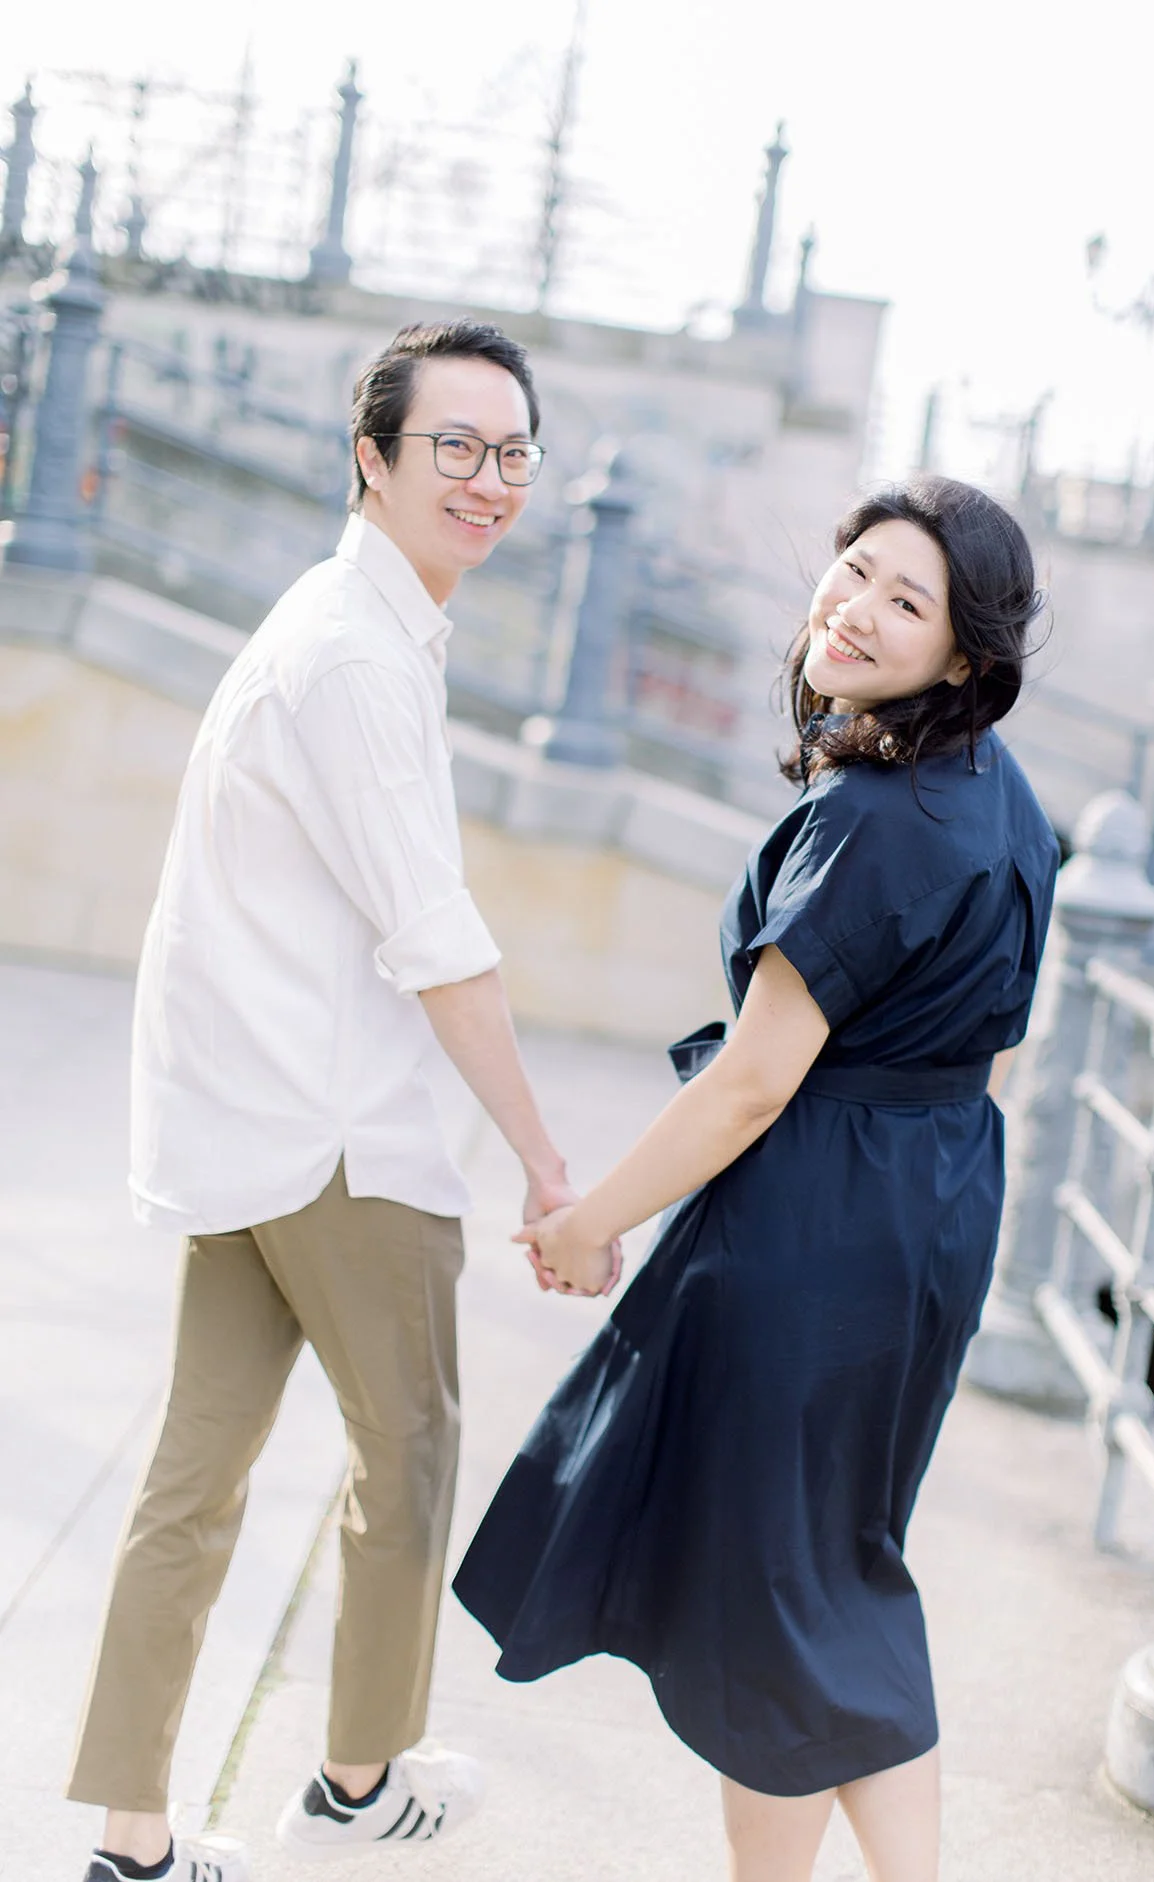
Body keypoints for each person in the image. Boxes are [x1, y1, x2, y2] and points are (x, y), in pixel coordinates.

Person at [454, 475, 1060, 1882]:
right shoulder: (999, 792)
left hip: (820, 1220)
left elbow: (752, 1080)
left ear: (962, 655)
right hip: (928, 1206)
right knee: (831, 1569)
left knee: (781, 1585)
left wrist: (588, 1220)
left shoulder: (879, 818)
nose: (853, 609)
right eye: (853, 571)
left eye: (906, 600)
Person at [69, 318, 590, 1882]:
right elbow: (437, 940)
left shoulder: (336, 618)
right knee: (409, 1452)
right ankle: (358, 1783)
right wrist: (545, 1161)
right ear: (370, 458)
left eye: (512, 451)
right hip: (338, 1137)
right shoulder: (358, 656)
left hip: (245, 1122)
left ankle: (133, 1848)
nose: (487, 479)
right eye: (454, 447)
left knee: (191, 1482)